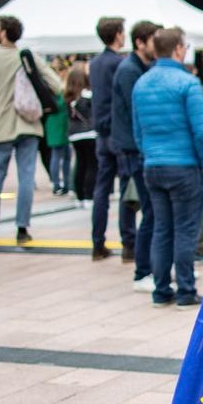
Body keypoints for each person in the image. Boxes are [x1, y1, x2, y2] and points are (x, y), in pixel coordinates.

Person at [131, 27, 203, 308]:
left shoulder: (141, 83)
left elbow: (138, 130)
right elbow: (201, 130)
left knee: (162, 228)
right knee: (186, 230)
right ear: (178, 49)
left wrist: (148, 154)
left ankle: (161, 289)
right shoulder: (187, 83)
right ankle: (186, 290)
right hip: (184, 164)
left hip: (153, 164)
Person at [0, 14, 62, 248]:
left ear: (2, 32)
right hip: (29, 124)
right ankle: (22, 228)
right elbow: (56, 85)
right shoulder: (28, 57)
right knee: (26, 177)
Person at [113, 20, 160, 290]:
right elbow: (137, 112)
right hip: (134, 149)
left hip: (138, 148)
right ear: (140, 42)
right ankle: (143, 271)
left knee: (154, 211)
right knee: (150, 210)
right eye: (153, 40)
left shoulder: (140, 67)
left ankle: (152, 267)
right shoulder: (129, 70)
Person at [90, 16, 128, 260]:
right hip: (117, 132)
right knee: (126, 188)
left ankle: (98, 241)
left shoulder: (94, 63)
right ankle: (128, 242)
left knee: (102, 189)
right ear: (117, 34)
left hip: (101, 132)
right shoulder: (119, 64)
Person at [65, 63, 97, 206]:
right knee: (91, 164)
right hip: (89, 133)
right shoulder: (88, 94)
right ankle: (89, 196)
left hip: (74, 134)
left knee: (80, 163)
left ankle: (79, 196)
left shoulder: (68, 96)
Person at [44, 68, 71, 196]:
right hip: (60, 125)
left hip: (56, 125)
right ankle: (58, 184)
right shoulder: (59, 91)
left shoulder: (50, 91)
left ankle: (63, 183)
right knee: (60, 156)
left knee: (62, 156)